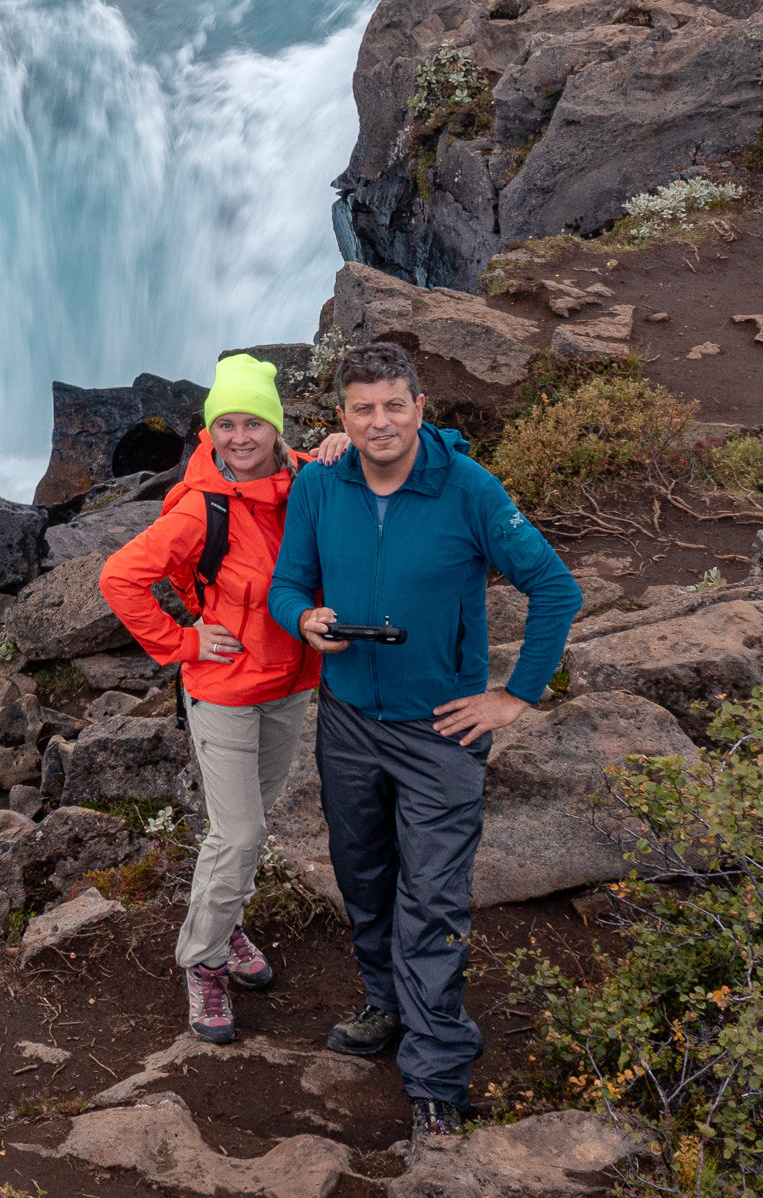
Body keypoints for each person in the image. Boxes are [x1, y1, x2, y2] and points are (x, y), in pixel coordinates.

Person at [267, 341, 581, 1149]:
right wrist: (304, 620)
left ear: (418, 407)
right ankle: (385, 1003)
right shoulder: (318, 482)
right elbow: (287, 585)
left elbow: (555, 587)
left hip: (441, 730)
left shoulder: (468, 489)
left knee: (433, 898)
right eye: (362, 409)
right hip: (346, 718)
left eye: (393, 406)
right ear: (342, 417)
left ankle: (438, 1074)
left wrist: (514, 696)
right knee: (363, 873)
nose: (380, 422)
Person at [100, 353, 349, 1044]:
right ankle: (203, 963)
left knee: (247, 828)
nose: (240, 437)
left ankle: (227, 927)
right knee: (237, 835)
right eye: (226, 424)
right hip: (226, 692)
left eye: (254, 423)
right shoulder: (199, 509)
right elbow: (120, 578)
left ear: (276, 428)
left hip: (293, 685)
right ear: (211, 431)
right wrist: (182, 642)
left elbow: (396, 462)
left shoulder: (304, 474)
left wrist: (347, 441)